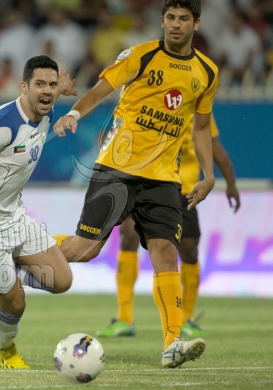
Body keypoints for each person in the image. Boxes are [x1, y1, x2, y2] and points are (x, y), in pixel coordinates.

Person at [51, 0, 219, 368]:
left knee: (166, 252)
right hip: (117, 170)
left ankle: (172, 342)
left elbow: (202, 127)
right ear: (162, 21)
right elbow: (101, 90)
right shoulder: (141, 56)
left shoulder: (207, 71)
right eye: (170, 17)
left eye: (184, 18)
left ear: (196, 24)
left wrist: (209, 175)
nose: (176, 25)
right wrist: (74, 114)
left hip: (164, 179)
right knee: (84, 250)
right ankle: (23, 252)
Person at [0, 56, 76, 369]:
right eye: (39, 84)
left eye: (51, 85)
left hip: (15, 217)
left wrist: (61, 88)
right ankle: (5, 348)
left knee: (62, 280)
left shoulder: (45, 111)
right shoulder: (2, 123)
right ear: (24, 87)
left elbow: (50, 95)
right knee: (16, 302)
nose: (47, 91)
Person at [96, 115, 240, 339]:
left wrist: (231, 184)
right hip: (144, 183)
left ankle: (187, 317)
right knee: (128, 235)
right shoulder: (150, 105)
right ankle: (124, 317)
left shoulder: (197, 111)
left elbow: (214, 147)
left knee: (189, 250)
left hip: (184, 191)